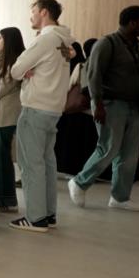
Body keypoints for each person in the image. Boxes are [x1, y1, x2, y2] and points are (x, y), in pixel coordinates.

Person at [69, 5, 139, 212]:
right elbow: (93, 75)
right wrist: (97, 103)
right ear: (132, 23)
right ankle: (80, 182)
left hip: (133, 106)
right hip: (110, 103)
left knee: (129, 155)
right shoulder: (107, 44)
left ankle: (120, 197)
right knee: (108, 148)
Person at [6, 0, 73, 232]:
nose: (31, 16)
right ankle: (48, 213)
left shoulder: (45, 39)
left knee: (31, 164)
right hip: (54, 107)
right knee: (46, 163)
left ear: (44, 12)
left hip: (35, 107)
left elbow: (15, 70)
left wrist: (26, 71)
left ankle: (35, 218)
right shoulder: (65, 40)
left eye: (33, 12)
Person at [0, 27, 25, 214]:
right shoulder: (11, 60)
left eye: (2, 38)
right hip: (5, 115)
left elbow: (0, 90)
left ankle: (4, 199)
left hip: (4, 116)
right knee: (1, 158)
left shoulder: (13, 63)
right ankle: (5, 198)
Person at [56, 38, 98, 176]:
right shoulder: (64, 64)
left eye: (71, 49)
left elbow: (69, 86)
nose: (68, 52)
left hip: (77, 109)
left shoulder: (80, 65)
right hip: (85, 110)